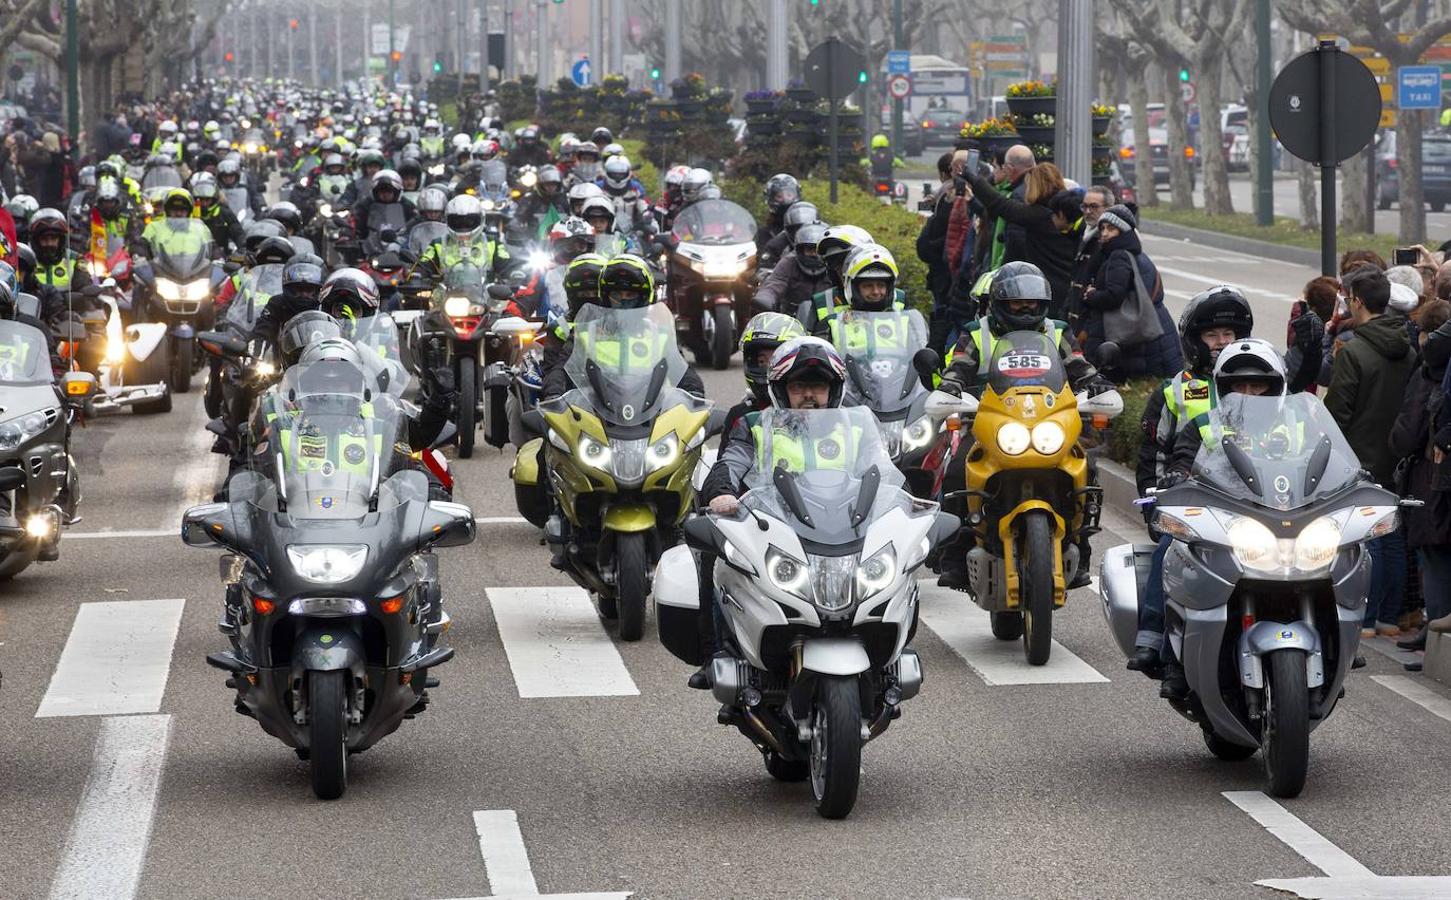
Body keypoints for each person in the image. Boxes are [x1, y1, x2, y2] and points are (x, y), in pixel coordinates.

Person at [933, 262, 1116, 590]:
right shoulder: (977, 331)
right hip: (992, 420)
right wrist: (950, 386)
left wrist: (1097, 381)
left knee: (1086, 468)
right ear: (999, 304)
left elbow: (1077, 364)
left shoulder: (1057, 330)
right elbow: (959, 366)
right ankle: (955, 552)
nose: (1026, 308)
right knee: (958, 469)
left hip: (1048, 419)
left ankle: (1081, 545)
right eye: (1017, 303)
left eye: (1033, 303)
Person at [1148, 338, 1291, 698]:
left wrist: (1355, 476)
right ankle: (1164, 651)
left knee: (1343, 550)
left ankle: (1340, 632)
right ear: (1224, 388)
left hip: (1286, 522)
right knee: (1170, 548)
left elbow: (1330, 458)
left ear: (1274, 387)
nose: (1247, 392)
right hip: (1222, 523)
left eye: (1256, 385)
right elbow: (1182, 460)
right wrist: (1176, 477)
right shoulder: (1203, 425)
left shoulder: (1296, 425)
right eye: (1238, 385)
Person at [1325, 266, 1416, 638]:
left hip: (1358, 458)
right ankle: (1390, 618)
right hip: (1396, 456)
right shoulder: (1408, 349)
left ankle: (1364, 618)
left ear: (1358, 302)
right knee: (1391, 535)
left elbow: (1337, 413)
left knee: (1365, 537)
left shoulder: (1355, 351)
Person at [1391, 300, 1451, 650]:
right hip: (1435, 473)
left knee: (1434, 556)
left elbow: (1408, 432)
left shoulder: (1428, 375)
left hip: (1431, 477)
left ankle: (1436, 641)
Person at [959, 161, 1077, 318]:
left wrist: (973, 179)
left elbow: (999, 204)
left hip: (1045, 289)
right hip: (1066, 288)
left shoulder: (1039, 215)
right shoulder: (1066, 213)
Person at [1077, 204, 1182, 378]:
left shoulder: (1118, 256)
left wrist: (1091, 295)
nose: (1104, 233)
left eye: (1111, 229)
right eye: (1102, 228)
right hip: (1156, 336)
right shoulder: (1137, 255)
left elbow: (1114, 296)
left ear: (1123, 231)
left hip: (1126, 340)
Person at [414, 194, 515, 283]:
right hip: (445, 296)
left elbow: (507, 264)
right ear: (447, 220)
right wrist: (417, 274)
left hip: (486, 298)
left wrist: (515, 273)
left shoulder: (492, 242)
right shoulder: (438, 244)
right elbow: (424, 264)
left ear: (481, 219)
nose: (463, 226)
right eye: (457, 221)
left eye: (469, 221)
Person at [971, 144, 1035, 278]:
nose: (993, 172)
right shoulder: (1022, 190)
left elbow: (1013, 241)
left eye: (996, 167)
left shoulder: (1017, 195)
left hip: (1008, 271)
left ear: (1009, 168)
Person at [754, 222, 832, 314]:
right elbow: (775, 283)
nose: (814, 254)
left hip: (829, 317)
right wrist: (766, 297)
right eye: (809, 250)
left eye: (818, 250)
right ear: (800, 250)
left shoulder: (833, 265)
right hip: (790, 318)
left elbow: (845, 287)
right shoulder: (789, 262)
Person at [193, 177, 245, 253]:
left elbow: (238, 233)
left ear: (214, 199)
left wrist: (243, 248)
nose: (204, 203)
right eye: (201, 200)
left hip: (221, 257)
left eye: (207, 200)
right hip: (194, 257)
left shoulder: (224, 213)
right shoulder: (190, 213)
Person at [752, 173, 802, 250]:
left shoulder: (804, 226)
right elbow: (763, 258)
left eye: (789, 195)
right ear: (771, 199)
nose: (785, 200)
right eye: (779, 196)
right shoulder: (765, 232)